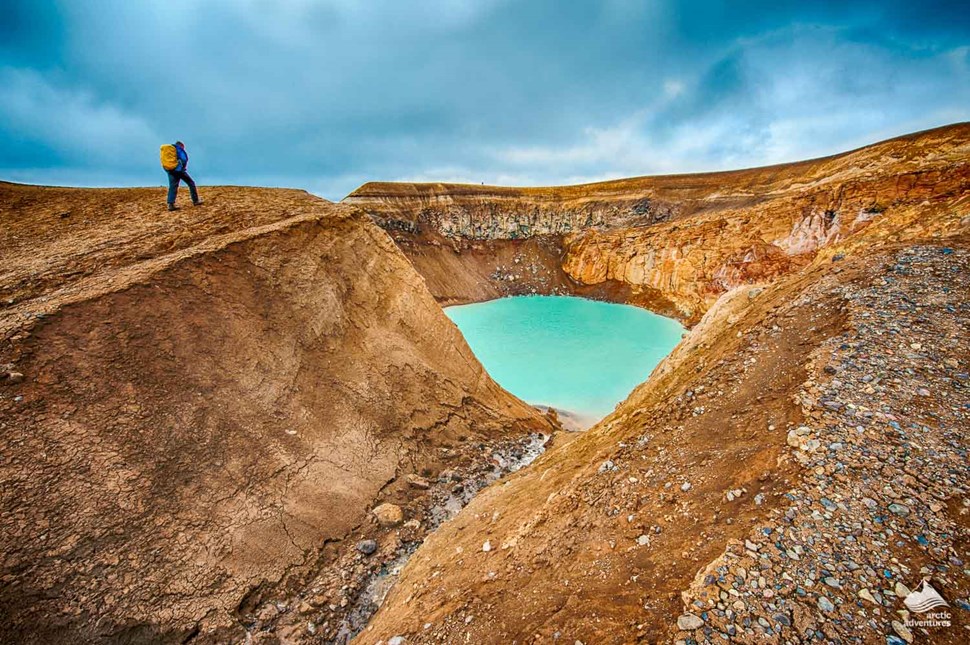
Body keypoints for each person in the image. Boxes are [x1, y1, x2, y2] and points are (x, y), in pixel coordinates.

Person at [165, 141, 202, 211]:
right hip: (178, 170)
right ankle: (195, 201)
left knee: (173, 186)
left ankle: (170, 204)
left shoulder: (169, 150)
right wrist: (183, 167)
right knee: (191, 183)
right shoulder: (179, 149)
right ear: (181, 145)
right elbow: (184, 159)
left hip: (170, 170)